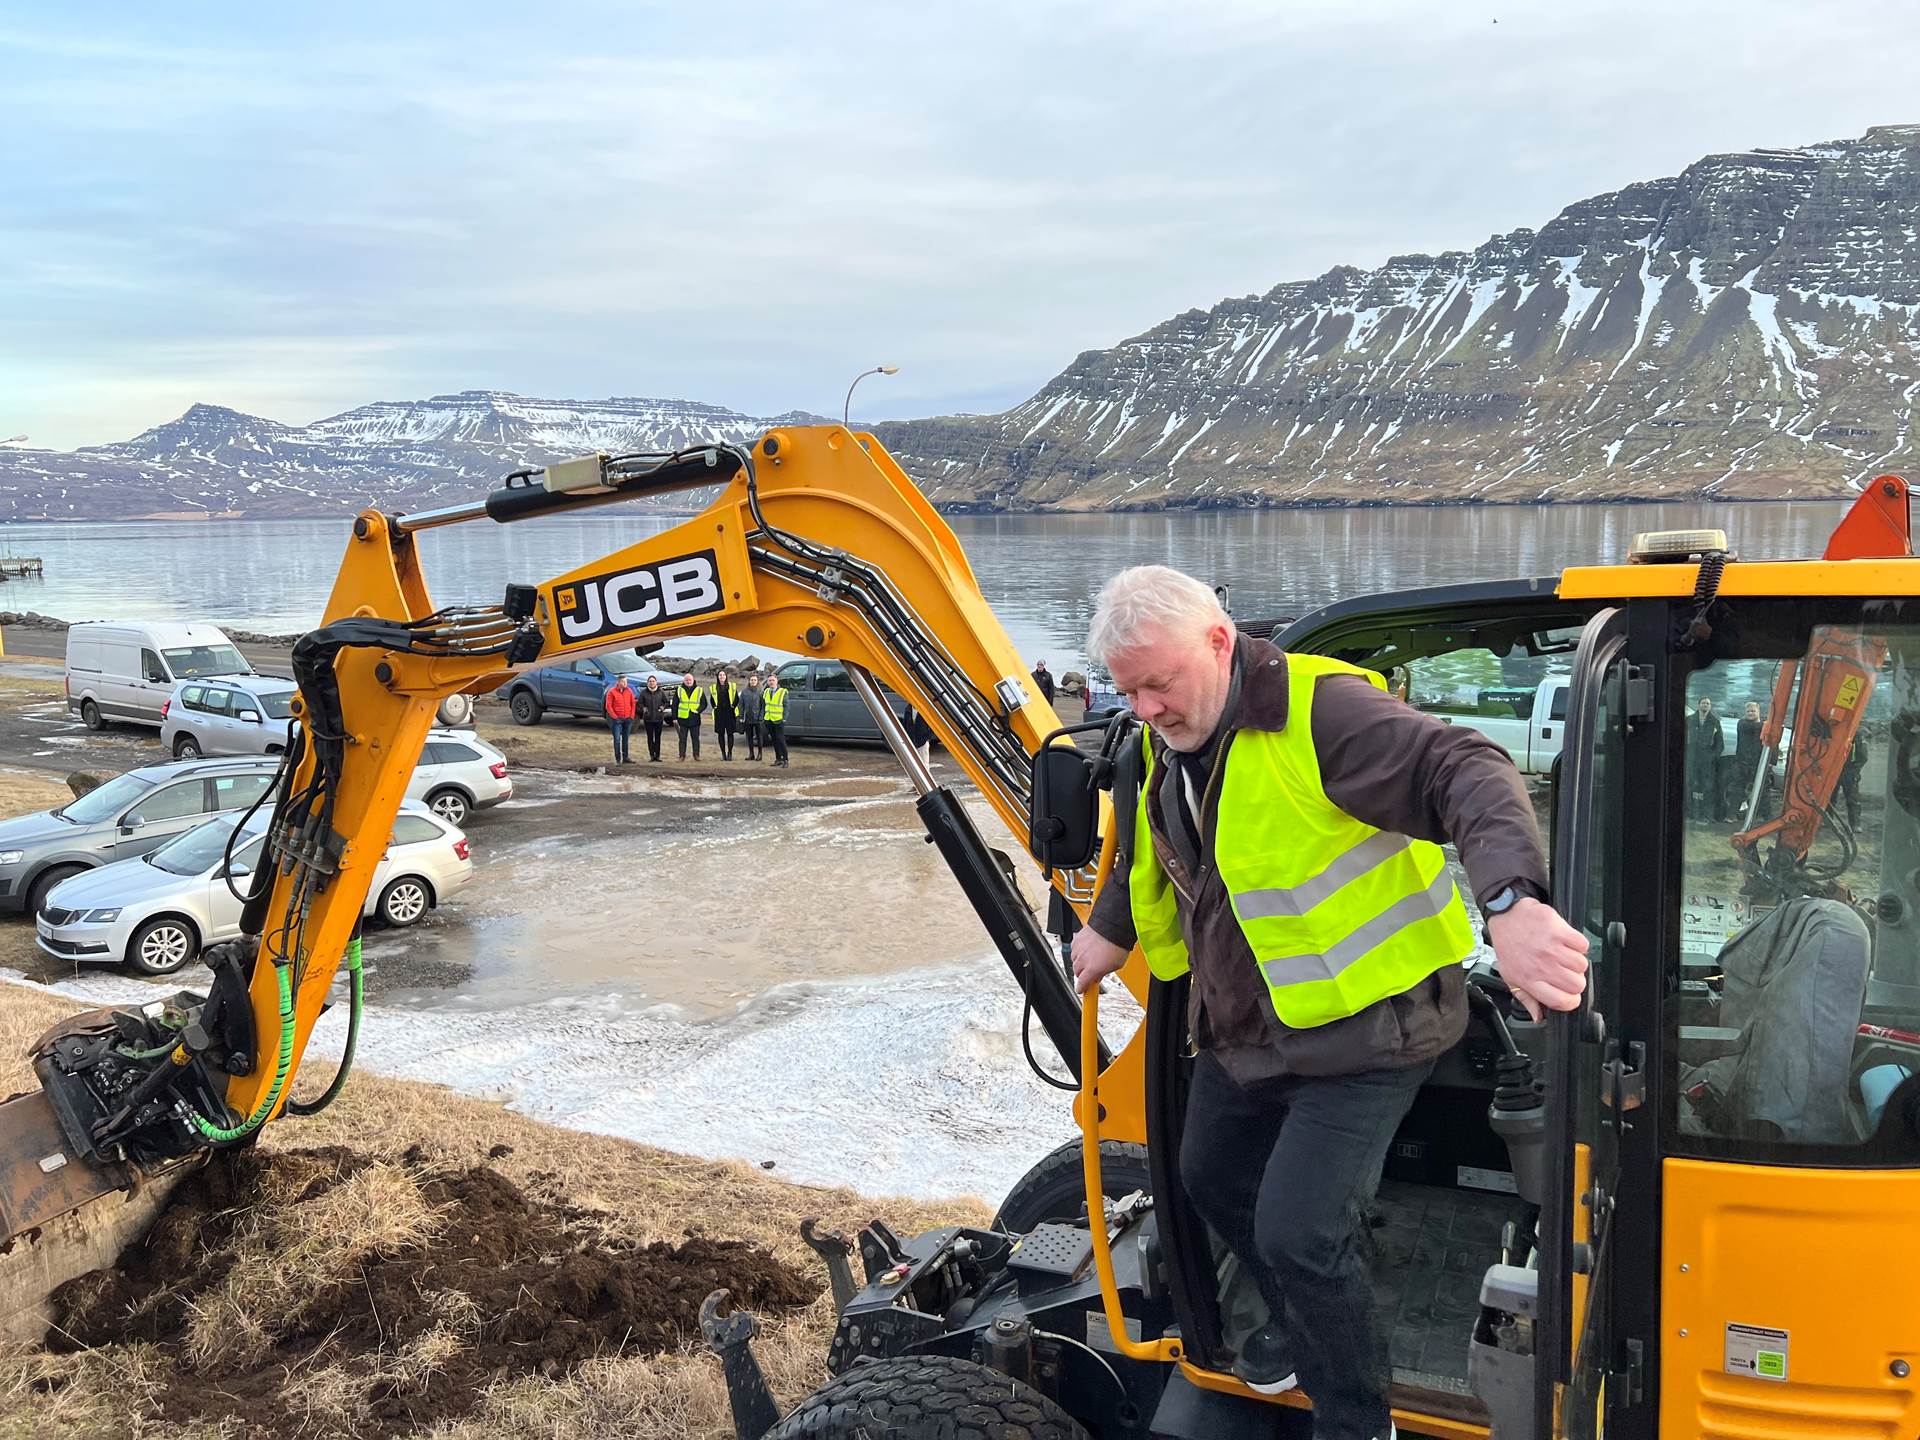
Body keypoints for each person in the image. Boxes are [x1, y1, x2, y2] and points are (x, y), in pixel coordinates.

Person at [1069, 565, 1587, 1440]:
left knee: (1299, 1231)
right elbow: (1158, 838)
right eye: (1130, 691)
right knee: (1207, 1176)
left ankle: (1356, 1419)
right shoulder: (1175, 730)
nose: (1146, 706)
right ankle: (1297, 1316)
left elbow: (1465, 766)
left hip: (1372, 1032)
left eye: (1159, 683)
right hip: (1256, 1028)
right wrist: (1113, 925)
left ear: (1221, 642)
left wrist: (1512, 904)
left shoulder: (1321, 715)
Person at [1688, 696, 1724, 821]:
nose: (1705, 705)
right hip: (1691, 759)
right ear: (1698, 705)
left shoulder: (1714, 722)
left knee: (1708, 787)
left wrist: (1713, 756)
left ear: (1710, 706)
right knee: (1690, 786)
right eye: (1703, 703)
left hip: (1707, 761)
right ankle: (1690, 815)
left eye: (1708, 703)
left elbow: (1720, 743)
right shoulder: (1689, 720)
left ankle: (1708, 816)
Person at [1731, 700, 1765, 822]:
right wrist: (1765, 724)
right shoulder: (1742, 724)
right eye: (1748, 711)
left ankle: (1762, 815)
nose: (1750, 713)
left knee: (1762, 789)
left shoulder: (1762, 725)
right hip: (1742, 763)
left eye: (1753, 711)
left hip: (1758, 763)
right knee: (1737, 789)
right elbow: (1755, 727)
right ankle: (1732, 814)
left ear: (1758, 712)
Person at [603, 673, 636, 764]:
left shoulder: (629, 691)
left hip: (628, 718)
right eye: (623, 681)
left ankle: (626, 757)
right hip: (617, 719)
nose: (625, 683)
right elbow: (608, 706)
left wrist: (632, 716)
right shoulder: (611, 692)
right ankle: (618, 759)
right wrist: (615, 717)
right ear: (618, 682)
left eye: (626, 681)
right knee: (617, 739)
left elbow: (633, 703)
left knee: (625, 739)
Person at [638, 673, 671, 762]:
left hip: (658, 718)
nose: (651, 683)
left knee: (658, 737)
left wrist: (662, 708)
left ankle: (658, 755)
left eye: (653, 681)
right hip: (648, 719)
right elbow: (639, 703)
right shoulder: (644, 692)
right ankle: (652, 755)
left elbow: (667, 702)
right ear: (647, 683)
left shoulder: (661, 692)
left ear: (656, 682)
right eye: (650, 681)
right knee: (650, 737)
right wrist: (644, 709)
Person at [1840, 730, 1869, 828]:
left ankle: (1855, 824)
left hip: (1849, 770)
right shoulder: (1853, 733)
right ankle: (1826, 821)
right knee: (1829, 798)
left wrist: (1856, 770)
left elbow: (1863, 757)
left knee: (1852, 799)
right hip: (1837, 769)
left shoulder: (1857, 734)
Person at [676, 672, 707, 760]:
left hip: (695, 718)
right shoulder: (679, 690)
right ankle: (682, 756)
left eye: (690, 680)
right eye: (686, 680)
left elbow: (704, 703)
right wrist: (674, 718)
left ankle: (696, 755)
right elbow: (675, 704)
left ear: (693, 680)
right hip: (683, 718)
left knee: (696, 739)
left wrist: (698, 711)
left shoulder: (699, 690)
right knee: (682, 739)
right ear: (684, 681)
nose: (688, 681)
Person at [712, 668, 741, 760]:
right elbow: (712, 700)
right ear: (717, 677)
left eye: (723, 675)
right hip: (719, 713)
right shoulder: (713, 687)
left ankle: (730, 753)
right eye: (720, 675)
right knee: (720, 734)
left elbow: (736, 698)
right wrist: (715, 707)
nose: (722, 677)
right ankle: (723, 754)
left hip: (729, 713)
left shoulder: (732, 686)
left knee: (730, 734)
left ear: (726, 676)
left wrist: (733, 706)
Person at [762, 671, 790, 768]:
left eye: (773, 680)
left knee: (781, 740)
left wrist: (784, 719)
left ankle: (785, 759)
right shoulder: (766, 691)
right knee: (774, 740)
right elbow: (763, 705)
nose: (771, 682)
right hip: (768, 719)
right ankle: (778, 759)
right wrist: (763, 717)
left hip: (779, 720)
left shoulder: (783, 692)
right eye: (769, 680)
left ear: (777, 681)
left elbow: (786, 706)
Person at [740, 673, 766, 759]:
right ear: (749, 681)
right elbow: (741, 705)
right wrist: (741, 716)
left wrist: (761, 716)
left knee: (759, 736)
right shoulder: (744, 692)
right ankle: (751, 754)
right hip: (748, 717)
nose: (753, 681)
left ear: (757, 681)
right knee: (749, 737)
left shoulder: (761, 692)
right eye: (752, 680)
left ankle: (760, 754)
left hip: (758, 717)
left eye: (755, 680)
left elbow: (763, 705)